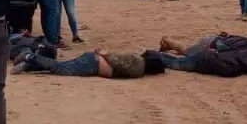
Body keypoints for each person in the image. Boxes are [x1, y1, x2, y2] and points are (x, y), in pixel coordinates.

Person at [155, 33, 247, 77]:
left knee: (185, 51)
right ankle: (167, 39)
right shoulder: (242, 51)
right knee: (185, 51)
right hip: (209, 45)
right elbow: (223, 50)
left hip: (213, 41)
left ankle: (168, 45)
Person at [11, 47, 166, 79]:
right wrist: (106, 54)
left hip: (94, 61)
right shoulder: (138, 68)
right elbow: (119, 63)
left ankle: (28, 65)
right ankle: (30, 56)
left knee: (60, 66)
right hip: (94, 64)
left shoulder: (138, 60)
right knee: (60, 68)